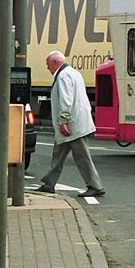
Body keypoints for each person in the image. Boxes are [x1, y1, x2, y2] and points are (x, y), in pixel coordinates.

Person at [36, 51, 105, 197]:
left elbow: (66, 100)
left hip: (71, 125)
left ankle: (95, 186)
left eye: (48, 65)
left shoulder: (62, 76)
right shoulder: (74, 73)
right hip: (75, 122)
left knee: (82, 156)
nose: (48, 69)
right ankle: (49, 183)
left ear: (55, 62)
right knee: (58, 154)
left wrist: (63, 121)